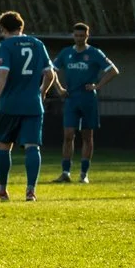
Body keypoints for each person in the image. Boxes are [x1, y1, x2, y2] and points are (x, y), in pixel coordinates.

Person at [0, 11, 60, 202]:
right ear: (22, 26)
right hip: (33, 104)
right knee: (32, 147)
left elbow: (2, 74)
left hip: (10, 104)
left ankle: (2, 189)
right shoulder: (37, 44)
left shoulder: (5, 45)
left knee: (3, 146)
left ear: (3, 28)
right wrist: (42, 91)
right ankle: (30, 191)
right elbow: (50, 75)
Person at [54, 24, 119, 184]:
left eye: (82, 36)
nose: (79, 38)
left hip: (87, 99)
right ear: (73, 36)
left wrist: (97, 86)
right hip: (71, 99)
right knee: (68, 135)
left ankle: (83, 174)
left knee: (87, 136)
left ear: (87, 36)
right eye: (76, 35)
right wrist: (59, 88)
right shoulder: (66, 53)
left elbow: (113, 71)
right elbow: (51, 70)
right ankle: (65, 172)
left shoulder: (94, 53)